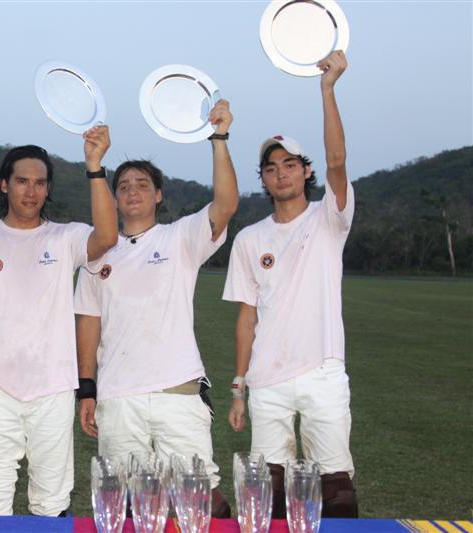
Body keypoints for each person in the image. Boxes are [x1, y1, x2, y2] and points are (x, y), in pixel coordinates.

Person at [74, 100, 238, 517]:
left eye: (142, 184)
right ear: (114, 197)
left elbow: (225, 205)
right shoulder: (97, 254)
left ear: (158, 195)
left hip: (177, 393)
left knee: (200, 502)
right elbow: (89, 323)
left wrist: (219, 138)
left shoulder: (180, 237)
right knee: (130, 506)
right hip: (118, 396)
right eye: (124, 185)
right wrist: (87, 388)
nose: (132, 191)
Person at [222, 50, 358, 518]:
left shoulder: (328, 218)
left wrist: (327, 89)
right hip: (267, 379)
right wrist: (239, 385)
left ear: (306, 171)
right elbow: (247, 318)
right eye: (271, 167)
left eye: (289, 164)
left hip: (322, 371)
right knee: (269, 494)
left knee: (336, 489)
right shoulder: (249, 238)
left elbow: (338, 161)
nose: (280, 173)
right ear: (263, 178)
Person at [0, 128, 118, 516]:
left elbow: (108, 235)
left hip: (53, 387)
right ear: (5, 184)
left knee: (51, 497)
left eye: (40, 183)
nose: (31, 191)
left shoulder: (65, 238)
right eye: (22, 181)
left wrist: (95, 166)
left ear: (48, 189)